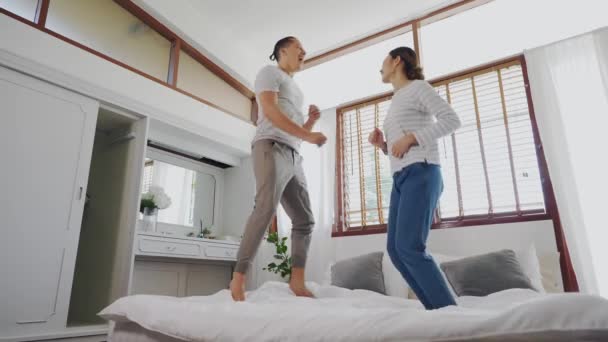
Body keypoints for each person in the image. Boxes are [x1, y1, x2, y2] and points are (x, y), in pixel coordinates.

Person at [230, 37, 327, 301]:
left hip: (293, 153)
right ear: (282, 51)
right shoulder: (269, 72)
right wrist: (309, 136)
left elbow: (293, 132)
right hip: (270, 146)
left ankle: (297, 282)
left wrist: (310, 122)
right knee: (265, 207)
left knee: (305, 220)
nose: (304, 52)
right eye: (299, 48)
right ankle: (238, 280)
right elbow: (271, 112)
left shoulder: (295, 87)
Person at [368, 47, 461, 310]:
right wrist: (384, 145)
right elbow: (400, 147)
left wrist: (411, 138)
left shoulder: (418, 87)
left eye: (384, 60)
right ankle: (436, 311)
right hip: (402, 177)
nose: (381, 67)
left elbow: (452, 120)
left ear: (397, 60)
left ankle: (451, 316)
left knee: (410, 248)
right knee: (397, 252)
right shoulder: (397, 98)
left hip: (422, 171)